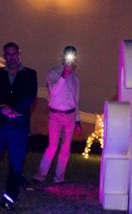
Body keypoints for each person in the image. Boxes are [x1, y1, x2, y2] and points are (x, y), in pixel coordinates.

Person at [0, 42, 37, 210]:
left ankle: (9, 197)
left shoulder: (30, 74)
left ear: (19, 54)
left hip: (19, 126)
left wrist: (13, 109)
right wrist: (2, 107)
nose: (11, 57)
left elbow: (30, 96)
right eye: (8, 54)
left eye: (14, 54)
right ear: (4, 56)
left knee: (16, 163)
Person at [33, 45, 82, 185]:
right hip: (55, 115)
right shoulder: (53, 73)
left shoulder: (75, 78)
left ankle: (59, 177)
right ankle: (41, 174)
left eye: (73, 56)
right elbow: (53, 92)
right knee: (52, 146)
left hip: (70, 116)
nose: (70, 59)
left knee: (65, 148)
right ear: (63, 56)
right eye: (68, 55)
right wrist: (63, 76)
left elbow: (76, 100)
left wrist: (78, 121)